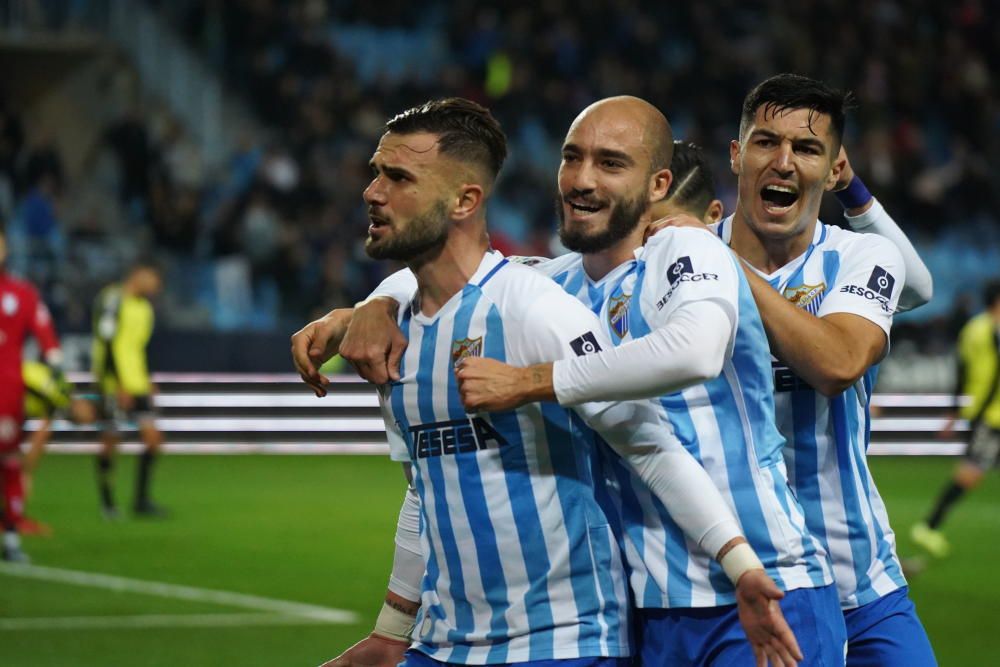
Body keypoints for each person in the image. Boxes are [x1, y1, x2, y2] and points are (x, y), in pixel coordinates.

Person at [313, 97, 798, 667]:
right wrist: (393, 629)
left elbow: (646, 442)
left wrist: (740, 565)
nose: (372, 191)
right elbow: (424, 486)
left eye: (397, 177)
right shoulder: (394, 336)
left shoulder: (538, 308)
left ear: (467, 199)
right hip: (442, 645)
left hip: (562, 642)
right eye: (376, 172)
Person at [711, 74, 935, 666]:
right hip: (740, 591)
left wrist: (725, 270)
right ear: (736, 155)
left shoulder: (857, 257)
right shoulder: (675, 258)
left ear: (834, 169)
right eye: (765, 143)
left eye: (807, 149)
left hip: (859, 585)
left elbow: (837, 363)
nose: (783, 162)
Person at [912, 279, 1000, 557]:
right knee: (970, 474)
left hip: (984, 412)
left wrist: (954, 411)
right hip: (991, 415)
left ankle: (930, 525)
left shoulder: (973, 328)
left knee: (972, 472)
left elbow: (961, 373)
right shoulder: (989, 331)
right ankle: (929, 525)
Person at [0, 225, 63, 562]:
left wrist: (55, 367)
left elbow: (47, 337)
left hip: (6, 388)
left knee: (9, 461)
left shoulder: (22, 293)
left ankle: (11, 541)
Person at [91, 261, 166, 519]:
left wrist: (146, 379)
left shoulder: (145, 308)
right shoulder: (112, 299)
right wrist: (117, 382)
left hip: (137, 381)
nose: (155, 287)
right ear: (139, 274)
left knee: (153, 439)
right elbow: (108, 342)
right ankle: (108, 502)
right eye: (153, 280)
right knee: (111, 439)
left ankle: (141, 501)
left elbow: (139, 348)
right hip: (115, 381)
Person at [20, 359, 98, 533]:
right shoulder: (60, 395)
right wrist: (27, 471)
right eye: (89, 414)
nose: (85, 420)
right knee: (14, 468)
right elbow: (41, 435)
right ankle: (14, 518)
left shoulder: (60, 397)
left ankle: (13, 516)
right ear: (85, 403)